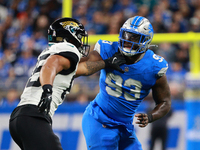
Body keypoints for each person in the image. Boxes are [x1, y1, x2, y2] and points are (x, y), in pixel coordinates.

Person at [9, 17, 124, 150]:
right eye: (79, 37)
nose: (81, 42)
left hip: (20, 117)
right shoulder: (68, 48)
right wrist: (47, 90)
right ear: (71, 35)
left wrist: (107, 63)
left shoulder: (51, 51)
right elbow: (51, 65)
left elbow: (84, 69)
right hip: (34, 115)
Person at [76, 16, 171, 150]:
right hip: (100, 119)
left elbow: (165, 102)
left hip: (125, 126)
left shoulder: (154, 66)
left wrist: (151, 116)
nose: (127, 40)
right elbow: (84, 67)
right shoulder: (109, 50)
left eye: (134, 37)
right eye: (126, 35)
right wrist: (106, 62)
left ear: (145, 40)